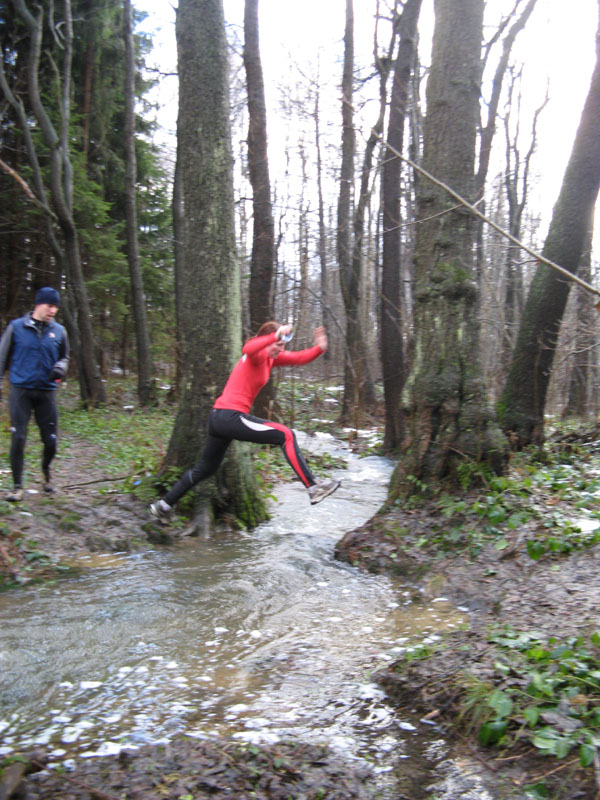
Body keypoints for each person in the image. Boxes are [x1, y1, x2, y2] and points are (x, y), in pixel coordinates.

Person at [150, 322, 340, 523]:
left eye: (283, 346)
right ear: (267, 340)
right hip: (230, 416)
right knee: (286, 435)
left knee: (206, 468)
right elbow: (248, 347)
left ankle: (163, 506)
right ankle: (313, 487)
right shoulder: (256, 355)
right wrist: (275, 335)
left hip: (219, 417)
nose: (281, 349)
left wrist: (320, 347)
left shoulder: (269, 359)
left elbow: (298, 358)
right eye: (278, 344)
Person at [0, 287, 69, 501]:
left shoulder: (59, 331)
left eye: (56, 307)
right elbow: (2, 357)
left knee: (51, 441)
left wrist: (60, 368)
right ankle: (18, 486)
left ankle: (46, 474)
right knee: (18, 437)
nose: (53, 311)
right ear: (38, 304)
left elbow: (65, 357)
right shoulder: (16, 327)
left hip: (47, 393)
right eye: (50, 306)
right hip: (21, 391)